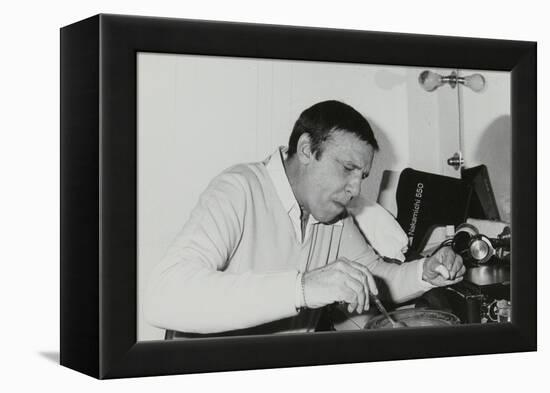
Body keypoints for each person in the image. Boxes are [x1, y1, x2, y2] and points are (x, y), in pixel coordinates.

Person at [143, 100, 465, 336]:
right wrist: (303, 287)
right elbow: (163, 297)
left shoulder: (333, 215)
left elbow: (375, 277)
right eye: (348, 168)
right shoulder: (240, 188)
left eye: (362, 175)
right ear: (307, 149)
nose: (355, 188)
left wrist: (426, 272)